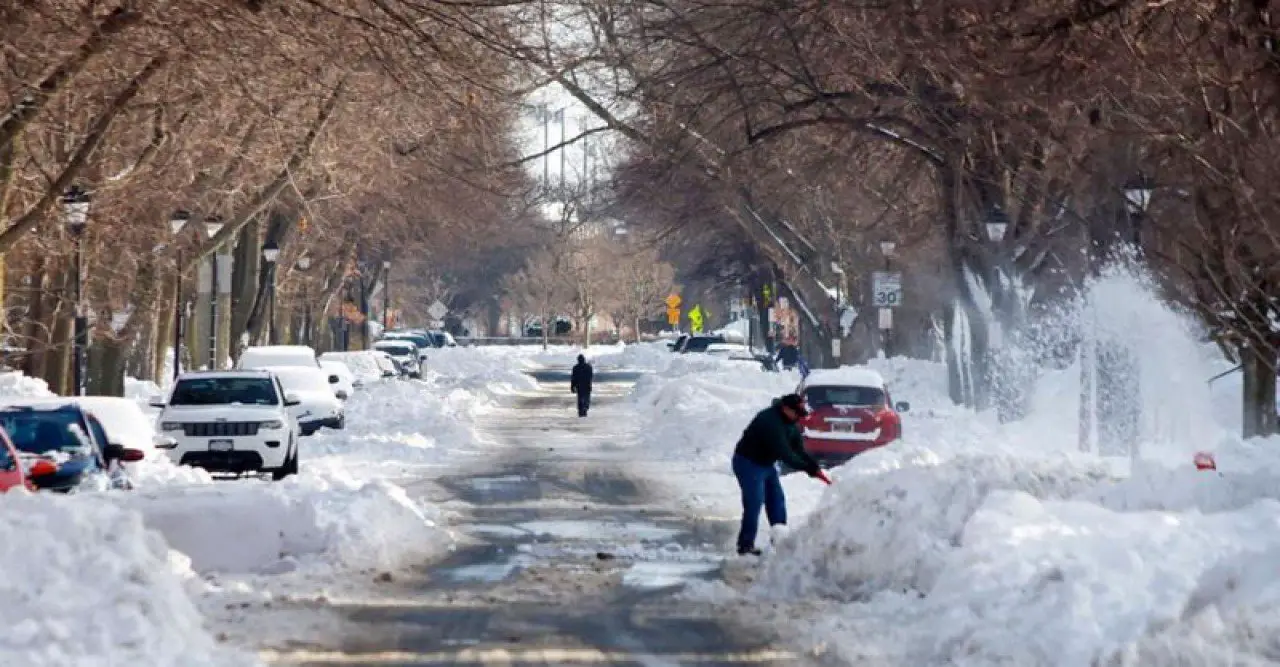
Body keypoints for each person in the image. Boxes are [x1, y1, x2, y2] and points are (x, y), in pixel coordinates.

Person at [731, 393, 823, 556]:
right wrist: (807, 468)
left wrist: (812, 464)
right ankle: (745, 546)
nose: (798, 418)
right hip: (748, 463)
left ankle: (780, 543)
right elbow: (785, 454)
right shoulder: (770, 422)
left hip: (766, 464)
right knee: (754, 503)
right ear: (786, 409)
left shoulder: (790, 421)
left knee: (777, 501)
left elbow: (798, 449)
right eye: (796, 413)